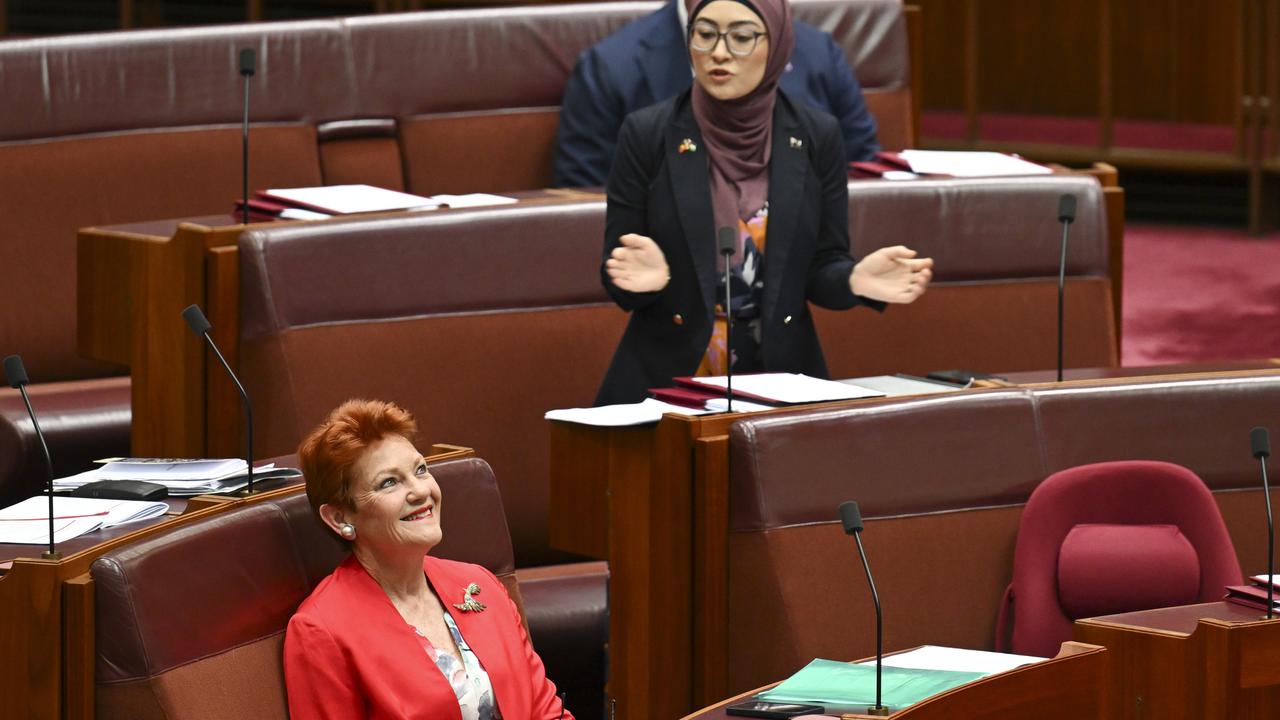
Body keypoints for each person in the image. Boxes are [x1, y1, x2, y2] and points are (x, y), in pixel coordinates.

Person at [595, 0, 932, 406]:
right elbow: (620, 275)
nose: (719, 52)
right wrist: (647, 282)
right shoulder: (648, 134)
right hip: (668, 382)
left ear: (776, 45)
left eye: (740, 37)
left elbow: (821, 265)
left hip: (781, 379)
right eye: (704, 34)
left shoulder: (815, 135)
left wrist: (854, 280)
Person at [284, 399, 571, 720]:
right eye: (389, 482)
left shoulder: (479, 584)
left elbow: (546, 711)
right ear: (339, 518)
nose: (420, 491)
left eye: (420, 470)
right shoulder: (322, 631)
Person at [552, 0, 879, 188]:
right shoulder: (611, 67)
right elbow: (585, 198)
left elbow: (863, 169)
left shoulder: (818, 53)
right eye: (706, 36)